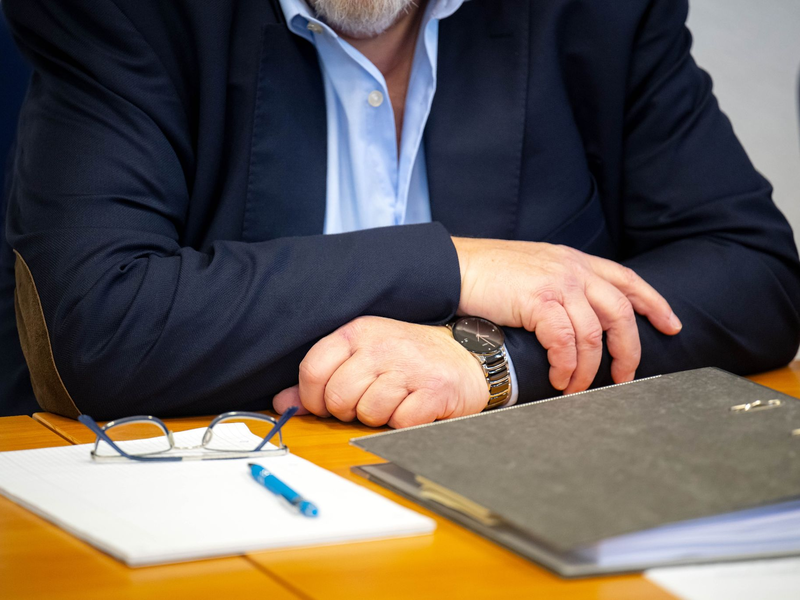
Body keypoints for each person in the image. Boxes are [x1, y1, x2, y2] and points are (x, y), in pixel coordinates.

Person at [3, 0, 799, 426]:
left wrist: (485, 362)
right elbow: (91, 330)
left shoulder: (597, 11)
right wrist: (459, 264)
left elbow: (752, 276)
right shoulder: (120, 9)